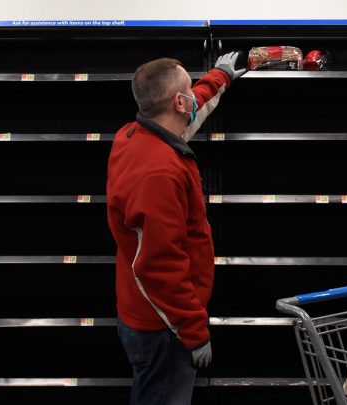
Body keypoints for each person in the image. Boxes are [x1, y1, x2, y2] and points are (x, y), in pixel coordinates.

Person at [106, 52, 246, 405]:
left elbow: (190, 110)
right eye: (188, 91)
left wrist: (219, 77)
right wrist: (192, 332)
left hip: (147, 312)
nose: (192, 100)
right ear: (178, 102)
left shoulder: (133, 134)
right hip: (164, 326)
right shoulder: (159, 174)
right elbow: (158, 265)